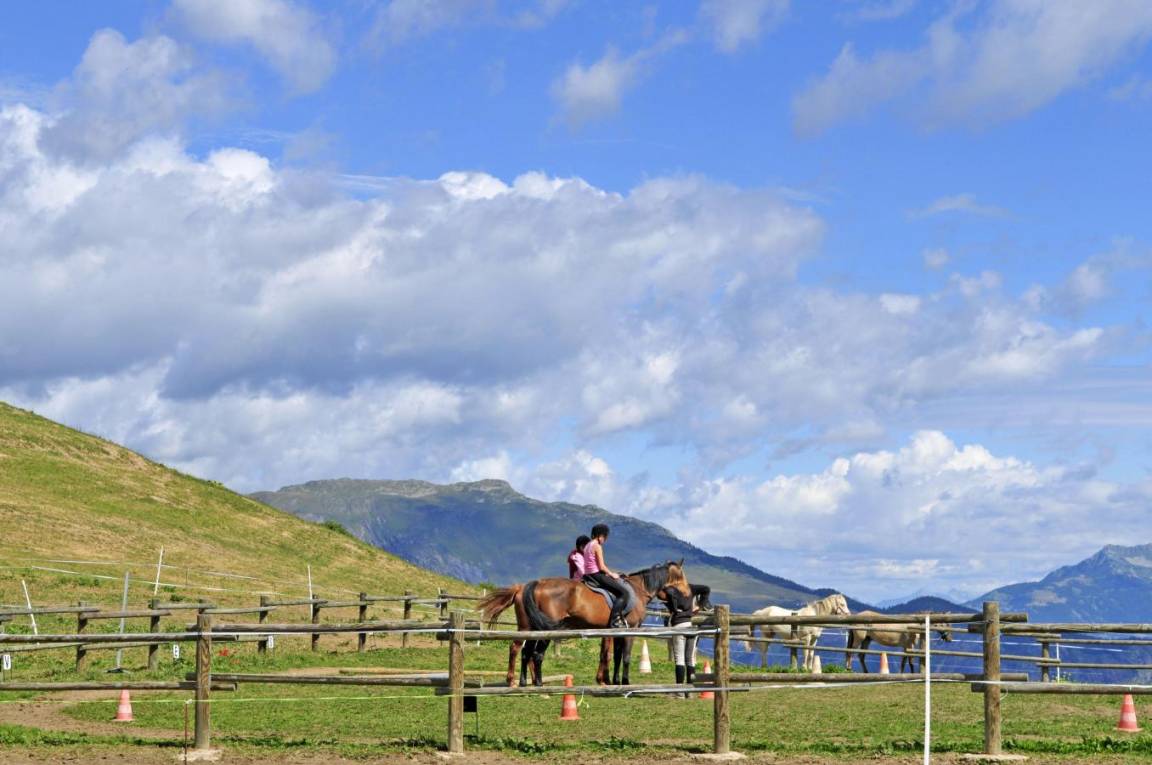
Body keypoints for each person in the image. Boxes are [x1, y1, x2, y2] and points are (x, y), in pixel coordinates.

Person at [581, 523, 630, 628]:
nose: (605, 540)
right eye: (605, 537)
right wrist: (612, 574)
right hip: (596, 575)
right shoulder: (597, 546)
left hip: (588, 575)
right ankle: (615, 620)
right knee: (624, 593)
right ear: (600, 536)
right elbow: (601, 566)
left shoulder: (587, 545)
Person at [662, 581, 700, 696]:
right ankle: (690, 691)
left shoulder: (674, 591)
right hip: (693, 626)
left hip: (679, 625)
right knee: (690, 659)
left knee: (680, 659)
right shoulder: (691, 591)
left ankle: (679, 692)